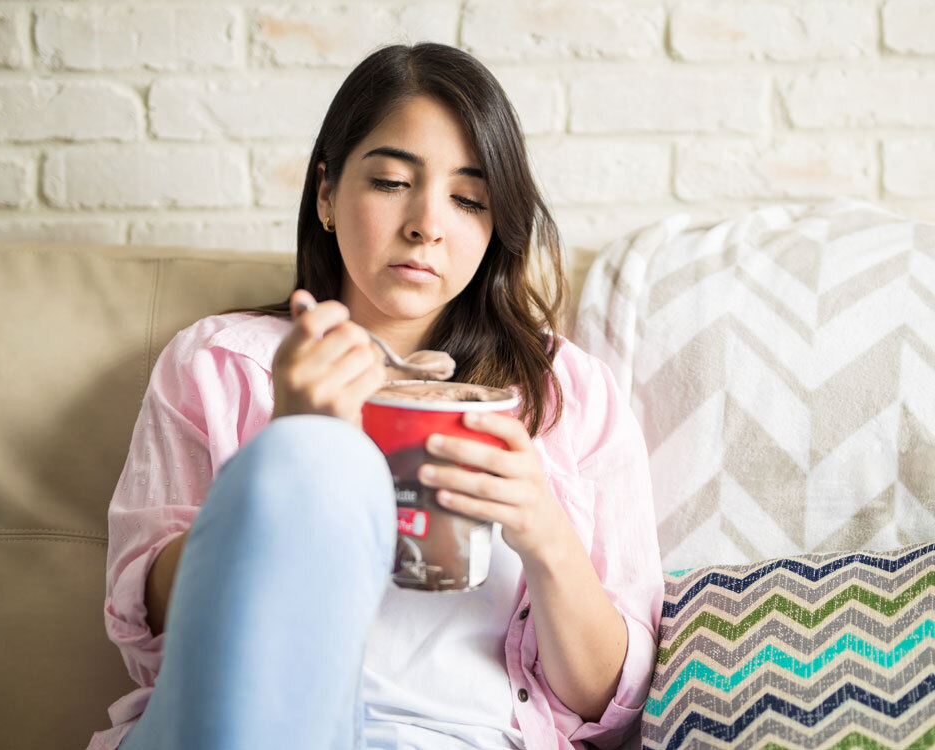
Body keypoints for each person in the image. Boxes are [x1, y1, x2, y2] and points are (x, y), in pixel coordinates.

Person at [87, 42, 663, 750]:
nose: (427, 223)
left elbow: (613, 706)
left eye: (468, 198)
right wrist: (294, 451)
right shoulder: (221, 363)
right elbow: (146, 637)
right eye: (392, 181)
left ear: (495, 225)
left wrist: (544, 533)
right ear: (327, 192)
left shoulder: (569, 394)